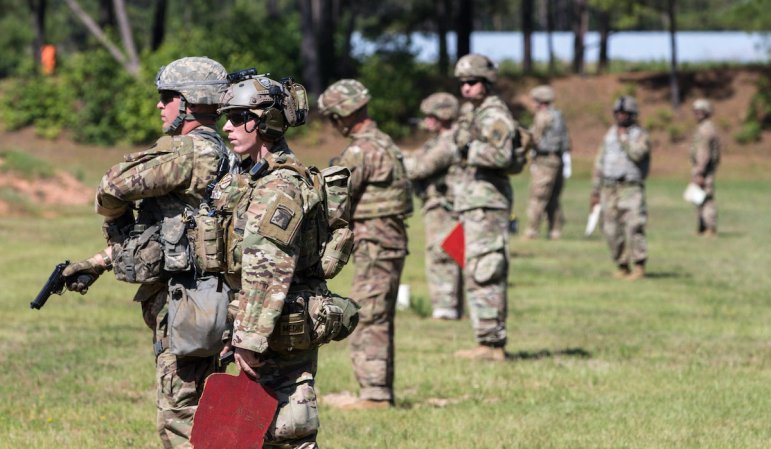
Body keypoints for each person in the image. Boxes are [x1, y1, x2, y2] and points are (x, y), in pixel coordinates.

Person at [62, 56, 231, 449]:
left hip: (187, 303)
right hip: (213, 298)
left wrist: (116, 221)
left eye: (167, 97)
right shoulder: (227, 150)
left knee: (180, 415)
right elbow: (177, 229)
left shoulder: (186, 153)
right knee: (204, 404)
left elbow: (111, 187)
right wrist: (102, 260)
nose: (160, 105)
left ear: (190, 102)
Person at [213, 71, 353, 448]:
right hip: (259, 323)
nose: (228, 126)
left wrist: (248, 338)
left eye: (240, 117)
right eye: (227, 116)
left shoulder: (280, 186)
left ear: (269, 122)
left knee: (288, 433)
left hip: (277, 329)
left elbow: (269, 268)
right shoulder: (250, 178)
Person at [318, 79, 413, 409]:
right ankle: (378, 389)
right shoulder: (385, 143)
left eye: (333, 117)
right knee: (379, 315)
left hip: (375, 244)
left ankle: (375, 394)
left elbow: (333, 198)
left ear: (344, 114)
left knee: (369, 316)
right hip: (388, 243)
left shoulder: (361, 151)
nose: (334, 124)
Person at [452, 53, 521, 362]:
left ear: (486, 81)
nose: (466, 88)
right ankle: (485, 340)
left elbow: (503, 155)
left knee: (486, 268)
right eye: (462, 83)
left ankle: (493, 344)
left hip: (488, 203)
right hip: (474, 202)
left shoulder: (494, 115)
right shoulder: (476, 112)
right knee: (477, 269)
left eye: (472, 82)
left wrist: (469, 149)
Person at [403, 92, 464, 320]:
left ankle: (446, 308)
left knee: (442, 253)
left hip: (444, 207)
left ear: (443, 115)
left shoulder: (449, 142)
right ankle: (451, 307)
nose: (426, 120)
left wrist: (397, 160)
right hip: (439, 205)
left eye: (431, 115)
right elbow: (417, 157)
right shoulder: (438, 140)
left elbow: (419, 168)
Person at [590, 96, 651, 281]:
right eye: (618, 113)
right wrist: (595, 190)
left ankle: (639, 265)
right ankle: (622, 264)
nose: (620, 116)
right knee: (610, 229)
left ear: (632, 115)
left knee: (634, 226)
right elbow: (599, 162)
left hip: (630, 188)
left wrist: (624, 139)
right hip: (609, 188)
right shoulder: (609, 135)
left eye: (624, 113)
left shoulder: (640, 135)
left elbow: (637, 154)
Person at [524, 85, 571, 240]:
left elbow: (534, 137)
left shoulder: (543, 116)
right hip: (558, 160)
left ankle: (532, 231)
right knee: (553, 198)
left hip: (545, 161)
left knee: (538, 197)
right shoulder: (558, 115)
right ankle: (555, 231)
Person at [690, 98, 721, 236]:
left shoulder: (706, 129)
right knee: (699, 197)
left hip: (704, 169)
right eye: (695, 111)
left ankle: (710, 227)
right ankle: (702, 227)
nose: (696, 114)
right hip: (701, 168)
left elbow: (704, 153)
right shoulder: (704, 127)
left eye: (699, 111)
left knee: (706, 198)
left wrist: (700, 172)